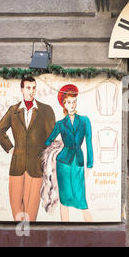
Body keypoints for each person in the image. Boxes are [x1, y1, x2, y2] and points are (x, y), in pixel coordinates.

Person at [0, 76, 55, 221]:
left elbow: (51, 137)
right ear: (22, 89)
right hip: (17, 165)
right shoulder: (14, 110)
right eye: (28, 88)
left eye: (34, 88)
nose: (31, 91)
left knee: (31, 209)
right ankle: (19, 238)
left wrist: (44, 158)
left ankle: (29, 239)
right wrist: (10, 148)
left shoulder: (45, 110)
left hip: (35, 166)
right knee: (16, 206)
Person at [43, 84, 94, 222]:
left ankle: (90, 227)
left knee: (81, 198)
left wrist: (89, 165)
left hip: (78, 160)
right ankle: (64, 229)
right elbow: (48, 141)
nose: (72, 105)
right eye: (69, 102)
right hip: (62, 163)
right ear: (64, 104)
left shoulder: (84, 121)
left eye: (74, 101)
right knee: (64, 199)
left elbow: (89, 143)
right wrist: (58, 147)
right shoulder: (60, 124)